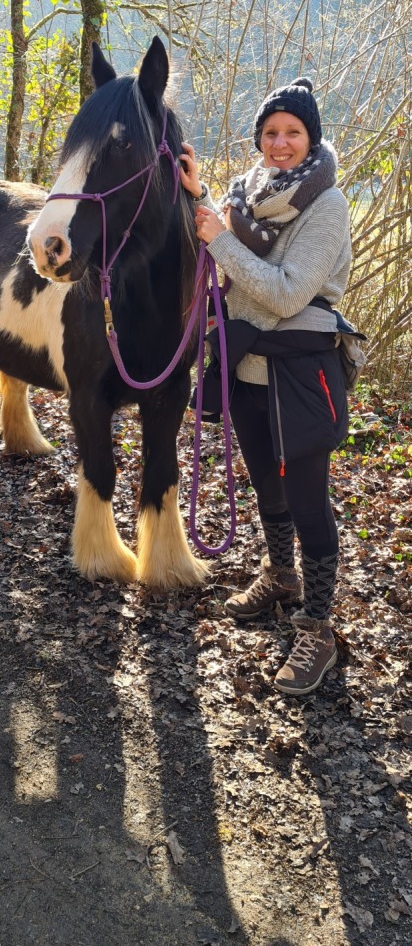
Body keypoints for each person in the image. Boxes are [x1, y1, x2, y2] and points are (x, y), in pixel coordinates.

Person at [179, 77, 352, 696]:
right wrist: (200, 198)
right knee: (265, 483)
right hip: (245, 364)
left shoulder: (327, 206)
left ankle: (319, 628)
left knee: (307, 498)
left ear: (311, 140)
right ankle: (282, 576)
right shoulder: (246, 196)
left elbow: (284, 291)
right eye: (271, 132)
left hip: (300, 373)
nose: (280, 144)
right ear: (260, 138)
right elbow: (228, 247)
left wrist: (220, 240)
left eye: (293, 133)